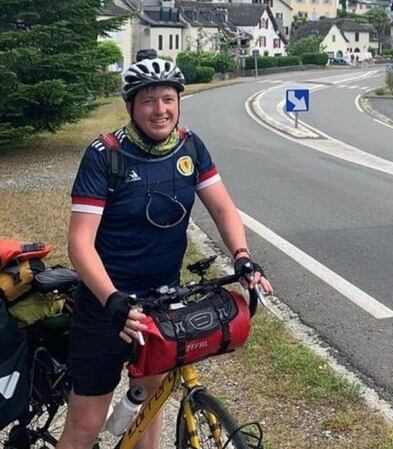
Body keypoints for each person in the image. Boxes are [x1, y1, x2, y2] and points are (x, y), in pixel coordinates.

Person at [60, 57, 274, 449]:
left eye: (168, 99)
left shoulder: (190, 146)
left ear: (179, 102)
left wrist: (242, 256)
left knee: (149, 409)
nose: (160, 110)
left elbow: (223, 207)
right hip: (107, 306)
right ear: (130, 107)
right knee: (86, 426)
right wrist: (113, 300)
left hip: (162, 302)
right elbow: (80, 243)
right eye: (148, 101)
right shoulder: (104, 156)